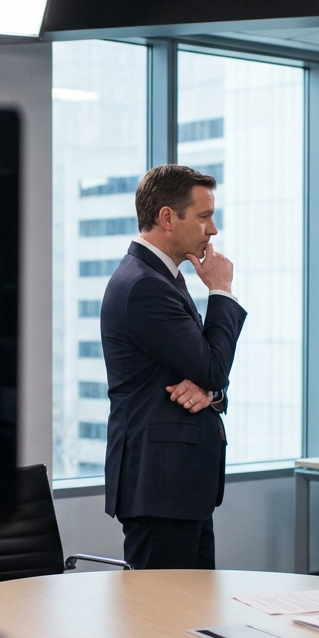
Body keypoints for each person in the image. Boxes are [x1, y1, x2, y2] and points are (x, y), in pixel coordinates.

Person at [100, 165, 248, 570]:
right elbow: (213, 366)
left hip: (179, 488)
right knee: (158, 621)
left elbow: (206, 374)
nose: (212, 230)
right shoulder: (144, 285)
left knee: (192, 618)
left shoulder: (163, 278)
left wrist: (211, 392)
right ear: (167, 218)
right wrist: (221, 290)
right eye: (203, 216)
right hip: (160, 487)